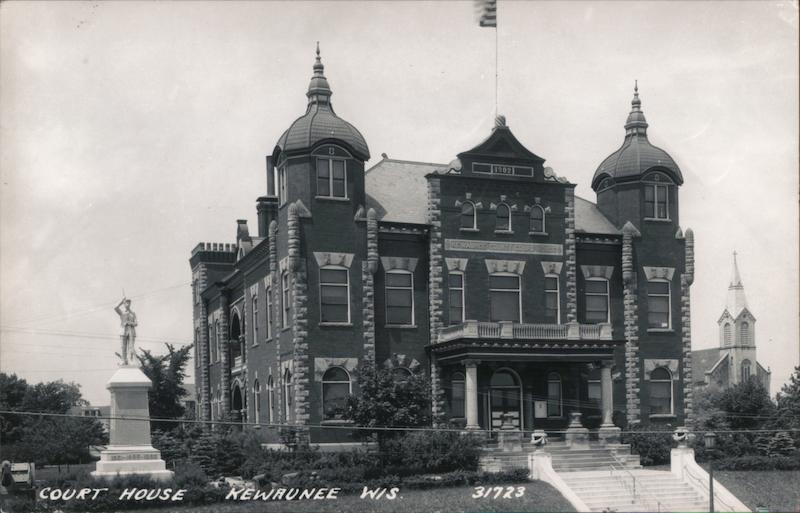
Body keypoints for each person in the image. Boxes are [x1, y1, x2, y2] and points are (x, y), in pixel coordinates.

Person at [114, 297, 138, 365]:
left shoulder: (133, 313)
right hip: (123, 331)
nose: (128, 304)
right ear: (124, 304)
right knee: (123, 347)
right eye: (126, 303)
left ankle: (130, 360)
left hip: (131, 331)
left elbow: (136, 323)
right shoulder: (122, 313)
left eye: (129, 303)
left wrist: (129, 323)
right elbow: (115, 308)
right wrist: (121, 301)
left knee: (131, 346)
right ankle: (123, 360)